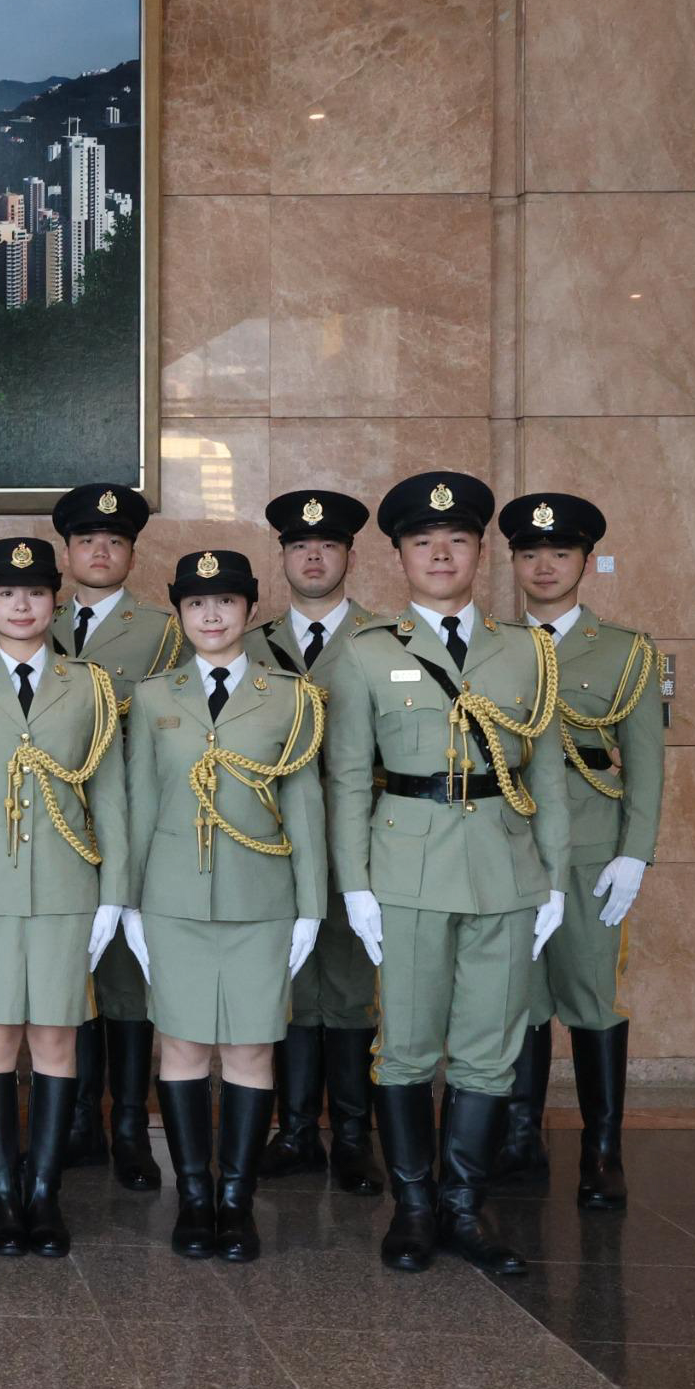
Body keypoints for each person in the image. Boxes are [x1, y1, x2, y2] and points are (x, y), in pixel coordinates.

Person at [323, 471, 570, 1276]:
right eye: (423, 542)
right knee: (405, 1046)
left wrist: (556, 879)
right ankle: (414, 1208)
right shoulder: (365, 653)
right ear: (399, 556)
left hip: (506, 866)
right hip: (408, 867)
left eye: (457, 540)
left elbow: (547, 774)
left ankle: (464, 1206)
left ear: (479, 551)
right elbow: (348, 779)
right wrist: (356, 884)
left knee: (490, 1048)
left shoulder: (526, 651)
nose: (440, 554)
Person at [123, 551, 327, 1263]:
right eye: (197, 604)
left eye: (226, 602)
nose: (211, 615)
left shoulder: (291, 696)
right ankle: (194, 1198)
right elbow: (138, 803)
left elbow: (304, 804)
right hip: (173, 897)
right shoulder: (154, 695)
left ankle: (235, 1201)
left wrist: (311, 907)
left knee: (248, 1047)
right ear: (180, 613)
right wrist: (127, 904)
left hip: (259, 897)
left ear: (249, 609)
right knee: (181, 1044)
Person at [0, 536, 127, 1259]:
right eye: (7, 593)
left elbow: (112, 799)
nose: (22, 605)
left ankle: (44, 1193)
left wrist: (114, 895)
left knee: (55, 1038)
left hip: (69, 886)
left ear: (55, 601)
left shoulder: (91, 686)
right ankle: (1, 1194)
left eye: (36, 592)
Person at [495, 492, 663, 1209]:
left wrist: (636, 853)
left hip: (593, 845)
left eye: (560, 553)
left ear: (585, 563)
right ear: (513, 562)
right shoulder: (491, 645)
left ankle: (601, 1152)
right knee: (519, 996)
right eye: (530, 553)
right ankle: (519, 1137)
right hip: (513, 842)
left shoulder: (624, 651)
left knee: (591, 995)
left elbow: (646, 762)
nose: (544, 566)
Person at [48, 483, 184, 1188]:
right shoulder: (32, 616)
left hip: (133, 819)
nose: (100, 551)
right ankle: (78, 1123)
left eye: (114, 541)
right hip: (54, 824)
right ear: (67, 552)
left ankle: (129, 1126)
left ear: (132, 553)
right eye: (87, 541)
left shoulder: (163, 630)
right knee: (68, 973)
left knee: (128, 983)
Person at [250, 489, 384, 1195]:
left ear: (349, 557)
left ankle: (354, 1138)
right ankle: (296, 1131)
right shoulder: (249, 642)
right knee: (294, 986)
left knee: (353, 987)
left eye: (327, 545)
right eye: (300, 546)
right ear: (283, 557)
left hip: (362, 836)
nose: (313, 556)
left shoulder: (385, 639)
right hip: (272, 840)